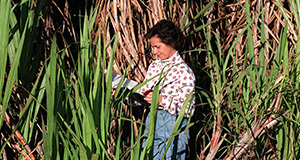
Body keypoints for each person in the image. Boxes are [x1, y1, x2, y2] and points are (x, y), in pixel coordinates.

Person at [140, 20, 195, 159]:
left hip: (172, 126)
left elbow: (188, 108)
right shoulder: (154, 66)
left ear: (170, 43)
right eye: (153, 47)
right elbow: (146, 92)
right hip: (152, 123)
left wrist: (161, 100)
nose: (154, 51)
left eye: (157, 47)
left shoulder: (183, 72)